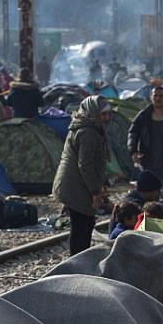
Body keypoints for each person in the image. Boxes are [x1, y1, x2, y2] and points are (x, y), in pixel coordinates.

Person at [53, 95, 111, 255]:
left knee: (85, 223)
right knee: (82, 225)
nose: (106, 118)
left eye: (107, 114)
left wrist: (101, 183)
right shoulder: (88, 132)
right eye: (103, 114)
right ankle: (78, 262)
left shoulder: (87, 127)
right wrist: (95, 192)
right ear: (93, 112)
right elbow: (85, 164)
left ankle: (79, 261)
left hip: (76, 182)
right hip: (75, 184)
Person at [128, 84, 163, 206]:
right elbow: (133, 133)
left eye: (161, 96)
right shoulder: (143, 116)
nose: (158, 98)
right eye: (155, 96)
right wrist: (133, 151)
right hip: (148, 160)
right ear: (151, 97)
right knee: (147, 192)